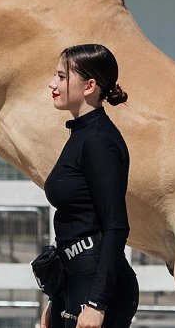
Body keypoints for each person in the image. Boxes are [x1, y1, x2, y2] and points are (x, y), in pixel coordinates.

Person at [41, 44, 139, 328]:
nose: (52, 83)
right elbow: (77, 223)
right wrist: (56, 298)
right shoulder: (81, 134)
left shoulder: (99, 141)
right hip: (74, 282)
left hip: (97, 292)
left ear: (89, 86)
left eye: (61, 76)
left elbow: (116, 225)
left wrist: (97, 303)